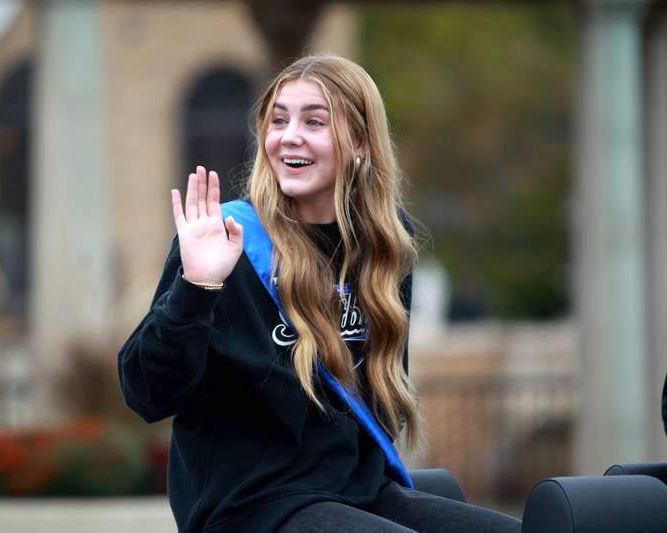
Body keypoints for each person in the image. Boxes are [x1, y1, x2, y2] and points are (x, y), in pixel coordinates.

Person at [118, 55, 521, 532]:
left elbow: (378, 392)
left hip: (359, 495)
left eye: (314, 121)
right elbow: (148, 394)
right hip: (251, 507)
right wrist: (197, 287)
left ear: (361, 144)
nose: (289, 136)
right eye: (279, 120)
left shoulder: (384, 244)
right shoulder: (227, 240)